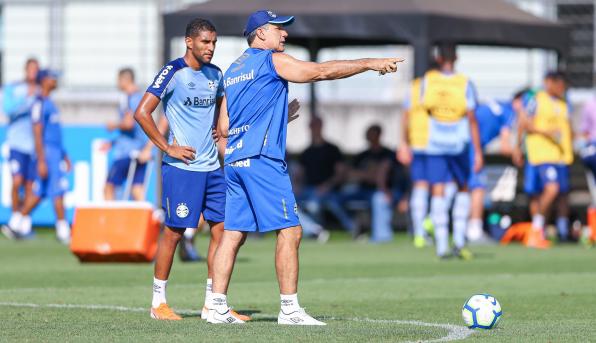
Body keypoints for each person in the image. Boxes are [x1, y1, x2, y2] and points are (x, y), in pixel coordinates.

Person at [210, 9, 403, 325]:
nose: (284, 34)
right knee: (291, 230)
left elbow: (225, 126)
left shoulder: (233, 70)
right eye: (278, 29)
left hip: (234, 161)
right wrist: (369, 63)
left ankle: (216, 307)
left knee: (232, 235)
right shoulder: (270, 60)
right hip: (262, 161)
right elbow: (321, 71)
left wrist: (275, 119)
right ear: (260, 33)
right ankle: (290, 310)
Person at [133, 18, 249, 322]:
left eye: (213, 42)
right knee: (174, 232)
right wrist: (166, 147)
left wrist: (221, 131)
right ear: (189, 42)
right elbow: (142, 112)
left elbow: (223, 114)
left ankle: (213, 303)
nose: (210, 48)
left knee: (223, 231)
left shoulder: (216, 74)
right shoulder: (172, 72)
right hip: (181, 168)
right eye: (205, 42)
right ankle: (158, 302)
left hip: (213, 168)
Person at [419, 43, 483, 259]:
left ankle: (441, 246)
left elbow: (426, 108)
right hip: (458, 143)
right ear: (456, 57)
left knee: (437, 190)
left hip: (435, 143)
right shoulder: (465, 82)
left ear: (438, 58)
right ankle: (458, 241)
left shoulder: (427, 80)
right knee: (463, 188)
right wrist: (478, 151)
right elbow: (472, 118)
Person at [5, 69, 71, 243]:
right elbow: (37, 131)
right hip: (48, 153)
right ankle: (63, 230)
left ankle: (15, 223)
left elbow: (55, 133)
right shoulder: (39, 103)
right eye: (52, 78)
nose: (55, 81)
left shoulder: (49, 103)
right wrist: (41, 159)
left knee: (39, 192)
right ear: (44, 81)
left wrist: (64, 155)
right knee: (57, 191)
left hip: (55, 152)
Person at [515, 71, 571, 248]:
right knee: (548, 190)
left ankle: (560, 232)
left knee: (562, 194)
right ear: (550, 83)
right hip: (541, 154)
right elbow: (524, 123)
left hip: (561, 155)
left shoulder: (563, 103)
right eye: (559, 84)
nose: (562, 88)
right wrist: (518, 147)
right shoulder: (536, 99)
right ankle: (537, 228)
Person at [466, 93, 523, 241]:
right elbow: (505, 147)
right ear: (517, 101)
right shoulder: (509, 113)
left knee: (460, 187)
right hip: (472, 145)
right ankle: (474, 230)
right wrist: (519, 153)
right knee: (478, 187)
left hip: (459, 140)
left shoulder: (496, 102)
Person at [348, 124, 407, 242]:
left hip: (387, 191)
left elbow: (383, 176)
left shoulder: (389, 154)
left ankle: (382, 237)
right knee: (334, 198)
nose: (369, 137)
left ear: (379, 135)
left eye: (372, 134)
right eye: (368, 134)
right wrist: (369, 175)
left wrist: (369, 177)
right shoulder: (362, 155)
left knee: (379, 198)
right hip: (362, 191)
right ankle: (352, 230)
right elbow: (349, 174)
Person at [1, 58, 39, 240]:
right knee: (17, 182)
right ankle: (15, 217)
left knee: (30, 186)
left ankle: (23, 225)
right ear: (25, 70)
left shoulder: (41, 91)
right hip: (17, 144)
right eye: (31, 69)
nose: (33, 73)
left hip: (33, 147)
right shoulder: (15, 88)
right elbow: (7, 110)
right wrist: (26, 99)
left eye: (36, 70)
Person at [297, 116, 354, 234]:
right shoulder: (306, 152)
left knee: (317, 204)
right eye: (312, 126)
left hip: (331, 190)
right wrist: (297, 186)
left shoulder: (333, 149)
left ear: (321, 126)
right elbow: (300, 175)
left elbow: (341, 174)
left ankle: (353, 229)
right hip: (309, 190)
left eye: (316, 125)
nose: (314, 129)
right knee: (288, 203)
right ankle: (315, 230)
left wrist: (327, 186)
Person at [397, 66, 432, 248]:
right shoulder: (450, 84)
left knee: (422, 186)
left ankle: (421, 230)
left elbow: (405, 116)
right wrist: (404, 143)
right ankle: (426, 225)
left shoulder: (415, 87)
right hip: (438, 145)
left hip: (419, 143)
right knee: (443, 186)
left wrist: (404, 143)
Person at [103, 68, 148, 201]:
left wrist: (114, 125)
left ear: (125, 80)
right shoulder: (141, 97)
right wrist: (113, 142)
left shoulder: (130, 99)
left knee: (109, 187)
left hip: (127, 151)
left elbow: (129, 124)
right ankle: (144, 220)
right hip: (140, 149)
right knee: (137, 189)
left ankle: (110, 220)